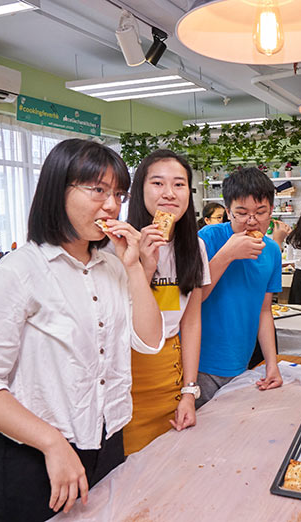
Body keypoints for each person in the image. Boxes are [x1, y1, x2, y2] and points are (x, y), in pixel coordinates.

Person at [0, 139, 165, 522]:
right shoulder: (16, 274)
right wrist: (52, 443)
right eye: (98, 190)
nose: (112, 205)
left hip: (107, 439)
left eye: (118, 194)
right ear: (57, 190)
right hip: (35, 454)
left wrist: (136, 268)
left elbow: (149, 343)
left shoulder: (114, 267)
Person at [123, 150, 210, 455]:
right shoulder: (118, 244)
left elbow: (191, 321)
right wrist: (144, 266)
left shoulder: (195, 246)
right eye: (158, 183)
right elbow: (118, 318)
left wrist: (189, 391)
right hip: (126, 377)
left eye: (179, 184)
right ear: (139, 190)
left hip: (170, 376)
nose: (169, 193)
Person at [196, 167, 283, 408]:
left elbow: (264, 311)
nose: (252, 221)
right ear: (228, 211)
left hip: (241, 362)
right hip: (200, 364)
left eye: (260, 212)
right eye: (242, 213)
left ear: (271, 210)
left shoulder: (272, 251)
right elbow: (194, 298)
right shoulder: (208, 237)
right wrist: (228, 254)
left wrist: (272, 364)